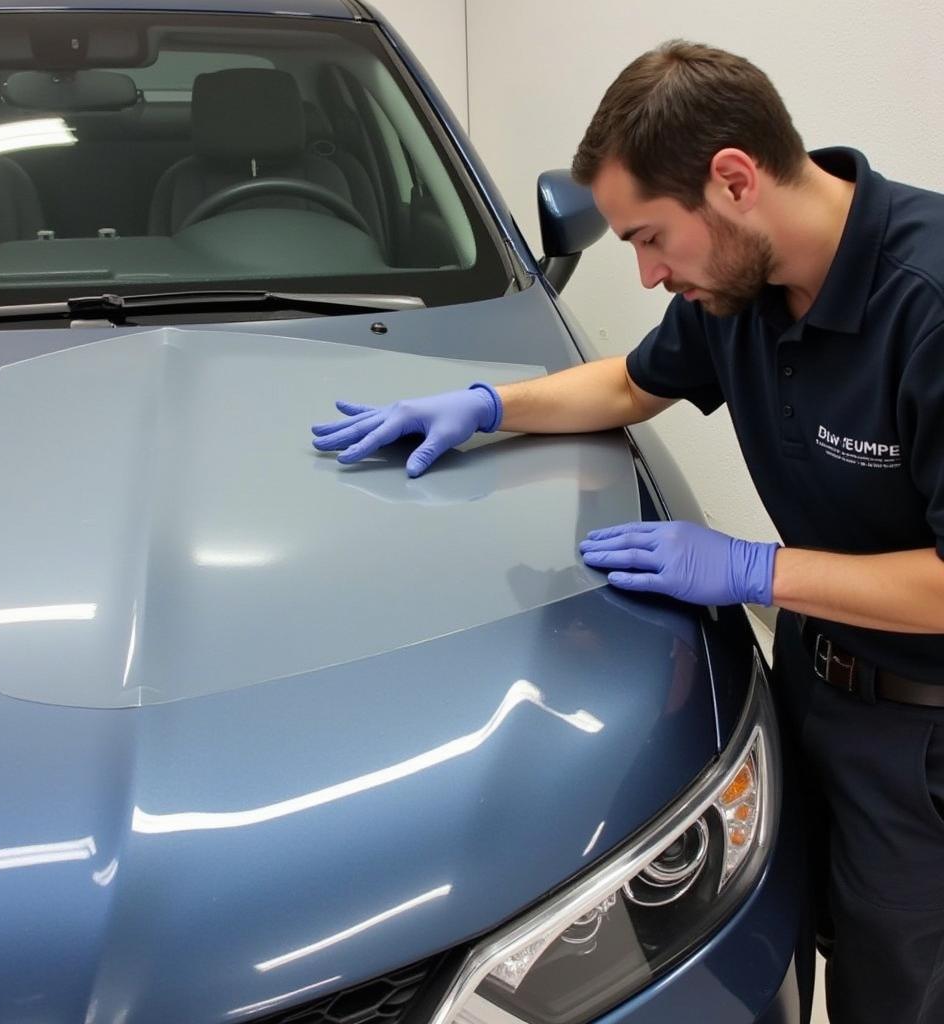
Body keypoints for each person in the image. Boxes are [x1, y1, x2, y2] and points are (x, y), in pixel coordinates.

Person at [310, 41, 944, 1023]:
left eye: (650, 237)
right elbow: (630, 383)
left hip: (921, 734)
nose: (646, 275)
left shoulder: (928, 305)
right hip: (814, 679)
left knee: (895, 986)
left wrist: (751, 567)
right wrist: (484, 406)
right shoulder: (741, 287)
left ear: (731, 180)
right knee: (789, 941)